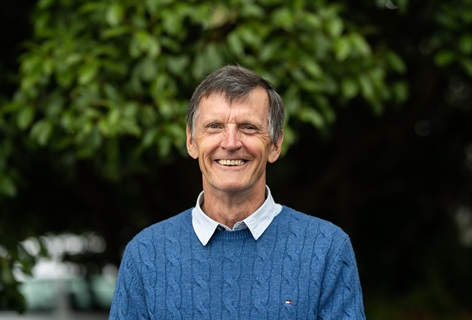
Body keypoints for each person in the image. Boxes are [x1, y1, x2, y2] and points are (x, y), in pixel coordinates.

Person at [109, 65, 366, 319]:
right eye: (214, 127)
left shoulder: (326, 248)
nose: (231, 143)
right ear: (191, 141)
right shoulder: (145, 254)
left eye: (248, 127)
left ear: (276, 145)